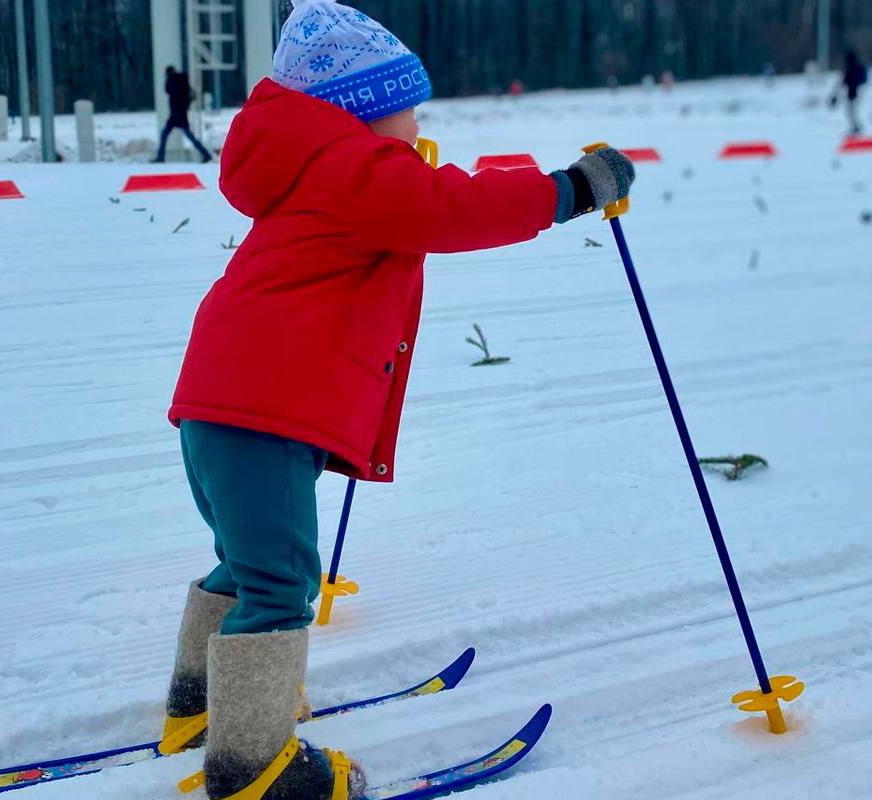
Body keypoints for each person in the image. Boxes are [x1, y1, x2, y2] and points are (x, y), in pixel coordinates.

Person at [161, 1, 635, 798]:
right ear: (366, 113)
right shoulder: (360, 172)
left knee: (245, 567)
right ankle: (251, 768)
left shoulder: (313, 167)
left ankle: (203, 708)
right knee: (278, 585)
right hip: (259, 415)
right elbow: (458, 209)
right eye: (408, 111)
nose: (417, 126)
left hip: (221, 407)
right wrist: (571, 190)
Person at [153, 65, 213, 163]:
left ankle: (160, 157)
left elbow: (169, 91)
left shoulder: (173, 83)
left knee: (165, 135)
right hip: (179, 115)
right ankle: (206, 154)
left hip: (177, 116)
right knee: (187, 137)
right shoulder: (181, 82)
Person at [837, 49, 869, 135]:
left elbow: (844, 81)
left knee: (851, 111)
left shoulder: (851, 68)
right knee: (851, 111)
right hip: (855, 93)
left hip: (854, 93)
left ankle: (856, 127)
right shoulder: (855, 67)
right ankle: (855, 127)